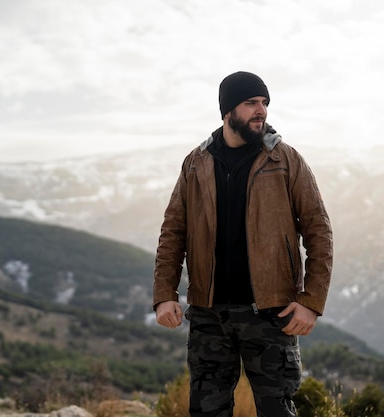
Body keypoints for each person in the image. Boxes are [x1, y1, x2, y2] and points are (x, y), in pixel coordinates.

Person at [153, 71, 333, 417]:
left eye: (264, 103)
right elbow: (173, 231)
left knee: (277, 410)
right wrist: (164, 295)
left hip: (271, 313)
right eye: (251, 103)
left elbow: (318, 231)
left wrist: (311, 302)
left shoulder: (285, 159)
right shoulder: (196, 163)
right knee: (207, 411)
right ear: (227, 111)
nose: (261, 110)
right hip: (209, 314)